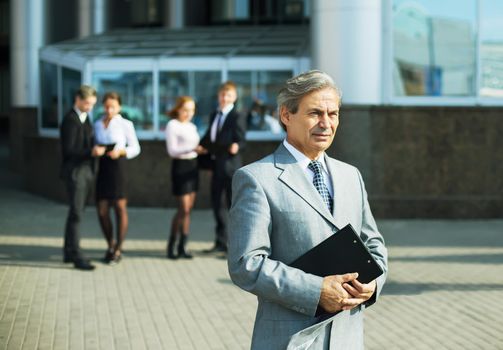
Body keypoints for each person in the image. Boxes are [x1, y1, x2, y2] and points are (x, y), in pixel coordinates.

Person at [227, 70, 388, 349]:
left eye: (333, 114)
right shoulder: (256, 178)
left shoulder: (351, 176)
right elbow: (246, 263)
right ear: (286, 115)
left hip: (347, 339)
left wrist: (374, 284)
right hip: (289, 340)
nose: (326, 123)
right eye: (315, 113)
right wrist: (315, 291)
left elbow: (373, 243)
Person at [60, 85, 105, 271]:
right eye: (86, 103)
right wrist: (91, 151)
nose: (89, 107)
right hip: (75, 172)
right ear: (77, 99)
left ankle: (68, 251)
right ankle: (76, 254)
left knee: (76, 212)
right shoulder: (70, 120)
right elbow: (69, 150)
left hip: (86, 171)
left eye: (92, 104)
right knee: (77, 213)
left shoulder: (85, 118)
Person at [93, 92, 141, 265]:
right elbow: (94, 144)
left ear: (119, 106)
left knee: (120, 207)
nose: (109, 109)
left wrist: (122, 151)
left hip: (118, 167)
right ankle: (110, 244)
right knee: (102, 209)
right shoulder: (97, 124)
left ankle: (118, 249)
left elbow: (136, 148)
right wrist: (96, 150)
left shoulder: (125, 124)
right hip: (103, 168)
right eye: (106, 106)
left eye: (113, 106)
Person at [200, 81, 246, 253]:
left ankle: (236, 246)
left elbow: (242, 140)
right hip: (216, 165)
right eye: (221, 95)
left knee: (233, 206)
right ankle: (220, 242)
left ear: (234, 97)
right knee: (217, 204)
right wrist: (201, 145)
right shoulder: (214, 114)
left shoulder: (237, 115)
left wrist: (237, 146)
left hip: (230, 167)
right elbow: (210, 135)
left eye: (228, 95)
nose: (224, 98)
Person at [165, 96, 204, 259]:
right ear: (178, 109)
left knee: (189, 210)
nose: (189, 113)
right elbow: (172, 151)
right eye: (186, 109)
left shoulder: (192, 126)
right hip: (180, 167)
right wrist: (193, 148)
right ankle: (171, 244)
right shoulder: (172, 125)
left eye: (192, 110)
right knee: (184, 208)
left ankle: (183, 246)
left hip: (193, 167)